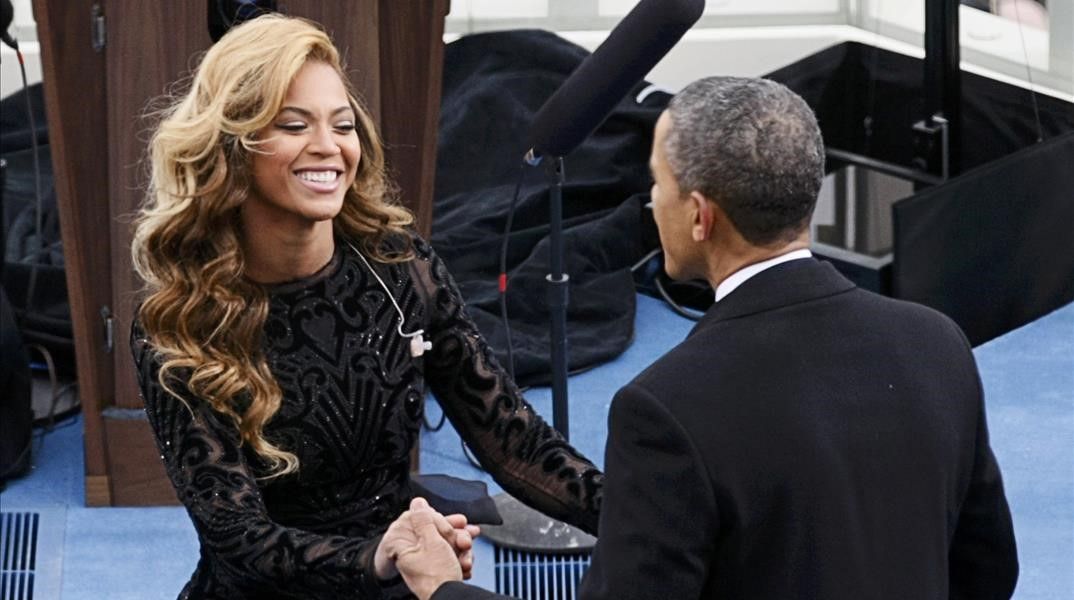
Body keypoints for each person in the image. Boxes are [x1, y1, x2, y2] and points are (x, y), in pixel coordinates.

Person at [385, 76, 1020, 599]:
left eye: (656, 184)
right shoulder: (937, 345)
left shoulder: (666, 408)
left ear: (698, 215)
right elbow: (989, 573)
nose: (649, 202)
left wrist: (445, 590)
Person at [129, 14, 602, 600]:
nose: (328, 147)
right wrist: (382, 555)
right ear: (234, 147)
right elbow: (240, 539)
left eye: (343, 124)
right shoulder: (181, 323)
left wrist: (636, 518)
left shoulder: (401, 268)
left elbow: (512, 439)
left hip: (398, 568)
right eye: (293, 124)